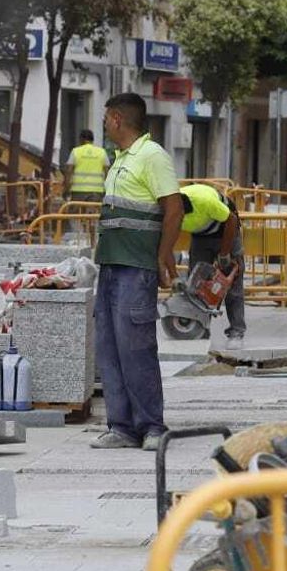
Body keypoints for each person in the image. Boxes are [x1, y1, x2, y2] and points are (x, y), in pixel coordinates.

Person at [90, 93, 181, 451]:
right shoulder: (120, 160)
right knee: (109, 348)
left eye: (105, 118)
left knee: (136, 348)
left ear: (115, 118)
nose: (103, 124)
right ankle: (121, 426)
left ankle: (152, 427)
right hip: (111, 265)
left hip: (136, 268)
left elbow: (173, 210)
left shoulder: (152, 156)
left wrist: (161, 257)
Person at [179, 182, 244, 349]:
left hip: (227, 228)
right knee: (196, 280)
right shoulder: (169, 209)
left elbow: (231, 220)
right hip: (201, 235)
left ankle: (236, 331)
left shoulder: (205, 202)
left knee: (232, 283)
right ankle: (200, 329)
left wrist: (224, 254)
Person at [63, 129, 107, 204]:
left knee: (76, 214)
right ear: (92, 140)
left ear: (81, 139)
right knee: (93, 215)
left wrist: (66, 189)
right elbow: (108, 172)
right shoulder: (102, 152)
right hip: (96, 191)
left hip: (78, 191)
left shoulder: (75, 151)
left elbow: (69, 171)